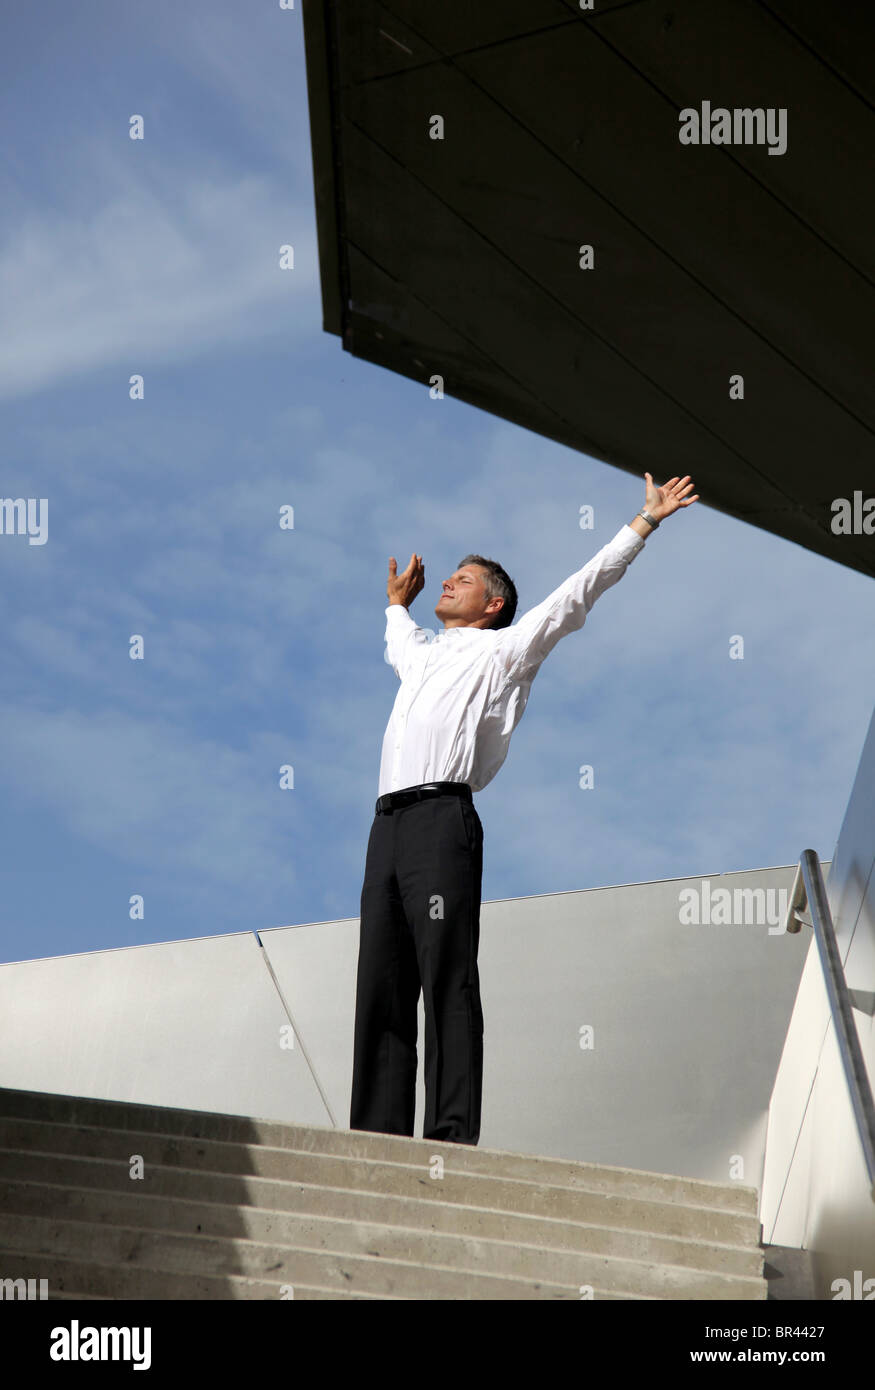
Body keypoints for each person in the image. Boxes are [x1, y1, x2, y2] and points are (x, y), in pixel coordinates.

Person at [350, 472, 698, 1145]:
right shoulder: (421, 657)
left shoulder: (506, 649)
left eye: (464, 579)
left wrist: (642, 524)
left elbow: (577, 594)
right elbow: (398, 642)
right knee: (380, 986)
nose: (447, 583)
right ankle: (374, 1137)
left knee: (445, 974)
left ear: (493, 604)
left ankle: (449, 1135)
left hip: (440, 823)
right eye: (447, 576)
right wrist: (397, 606)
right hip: (385, 826)